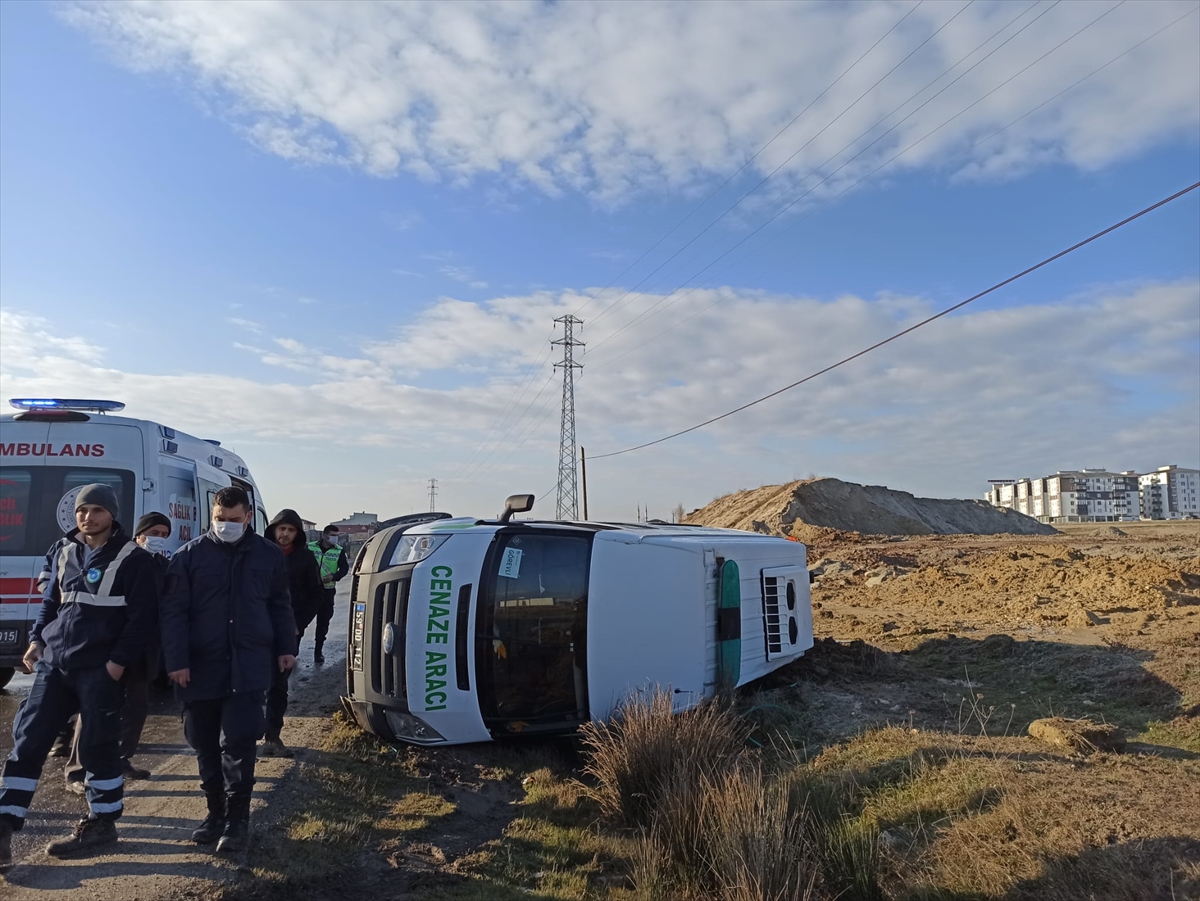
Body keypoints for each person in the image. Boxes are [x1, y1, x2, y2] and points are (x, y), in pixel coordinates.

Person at [0, 484, 159, 866]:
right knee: (29, 741)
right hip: (55, 663)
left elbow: (143, 620)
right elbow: (51, 602)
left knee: (97, 747)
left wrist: (116, 664)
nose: (88, 517)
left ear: (112, 514)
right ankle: (4, 825)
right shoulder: (63, 550)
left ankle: (102, 823)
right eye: (82, 510)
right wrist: (38, 640)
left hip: (100, 668)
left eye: (96, 510)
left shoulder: (133, 558)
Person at [160, 486, 295, 854]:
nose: (226, 526)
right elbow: (174, 614)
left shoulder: (268, 555)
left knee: (239, 743)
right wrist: (177, 662)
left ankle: (238, 822)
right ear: (212, 516)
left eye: (234, 521)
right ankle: (214, 814)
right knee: (204, 744)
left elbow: (280, 605)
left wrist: (287, 648)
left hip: (249, 665)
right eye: (220, 520)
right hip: (200, 667)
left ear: (248, 517)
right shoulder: (189, 557)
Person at [64, 512, 172, 793]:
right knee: (94, 709)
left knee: (136, 707)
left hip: (145, 650)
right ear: (139, 534)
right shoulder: (124, 559)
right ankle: (77, 771)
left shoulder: (164, 565)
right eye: (154, 533)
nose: (158, 539)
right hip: (113, 648)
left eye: (163, 534)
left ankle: (122, 759)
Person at [261, 509, 324, 758]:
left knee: (278, 683)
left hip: (288, 631)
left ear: (297, 534)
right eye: (281, 529)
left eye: (290, 530)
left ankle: (273, 736)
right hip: (257, 628)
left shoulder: (305, 558)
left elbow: (316, 594)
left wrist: (299, 624)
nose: (285, 534)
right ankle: (246, 734)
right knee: (252, 682)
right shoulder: (259, 554)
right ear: (273, 529)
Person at [307, 525, 349, 664]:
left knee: (323, 623)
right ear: (324, 535)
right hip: (309, 590)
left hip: (327, 590)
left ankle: (318, 652)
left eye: (337, 535)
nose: (335, 538)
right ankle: (292, 650)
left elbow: (344, 568)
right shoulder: (310, 547)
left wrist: (334, 576)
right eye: (332, 535)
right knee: (300, 620)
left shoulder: (339, 551)